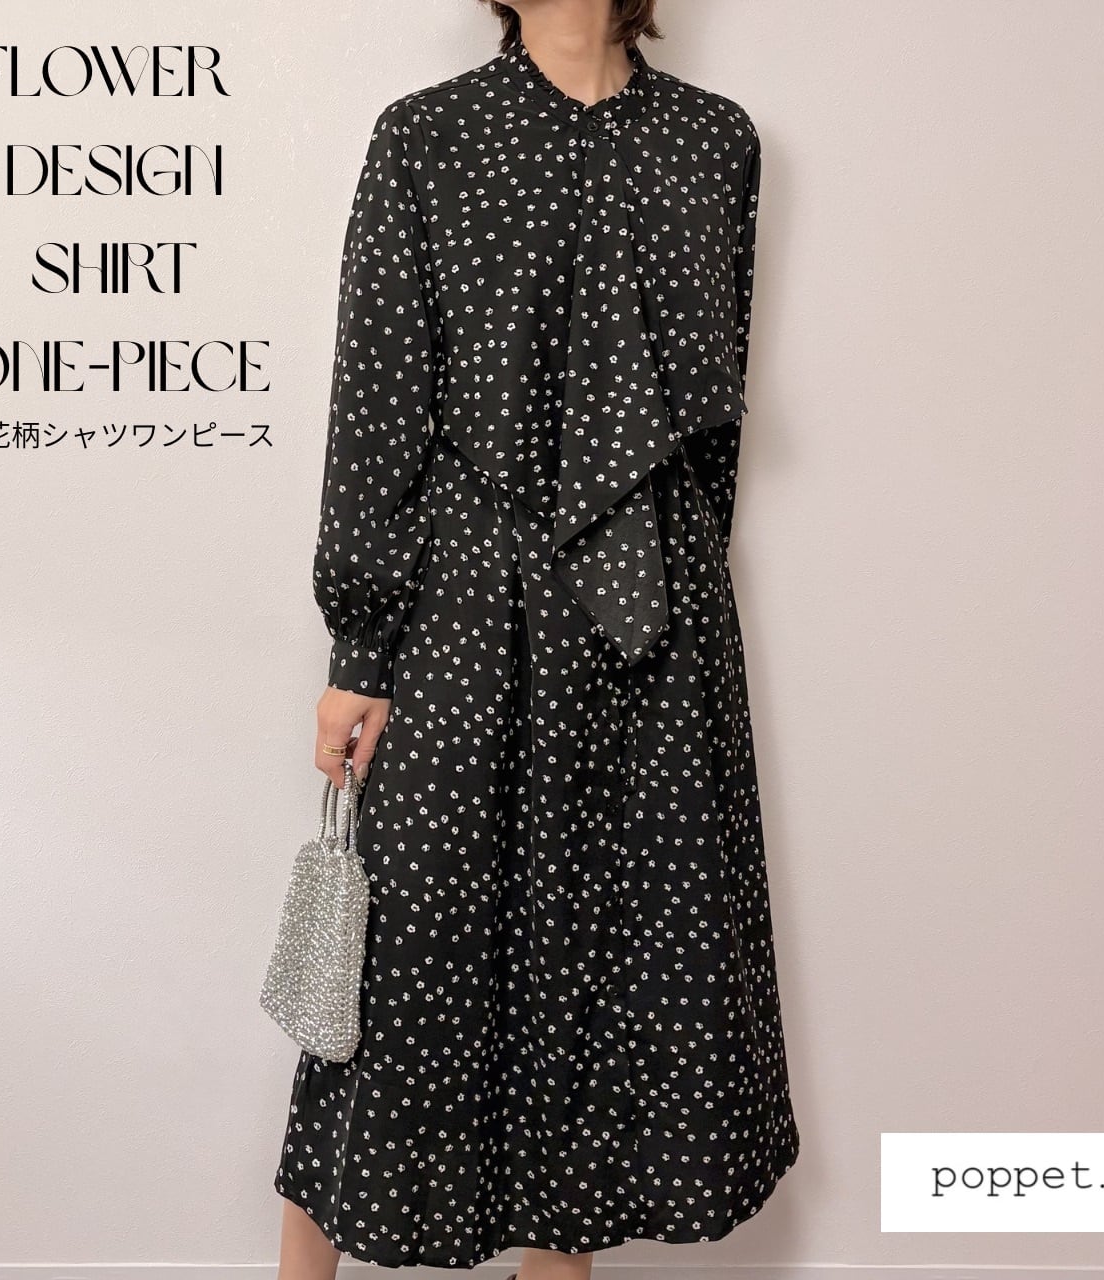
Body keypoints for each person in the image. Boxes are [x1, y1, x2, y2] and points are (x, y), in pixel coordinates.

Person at [274, 1, 800, 1276]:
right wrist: (359, 645)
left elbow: (711, 426)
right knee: (403, 964)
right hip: (465, 605)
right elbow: (379, 396)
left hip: (653, 623)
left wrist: (683, 604)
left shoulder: (714, 142)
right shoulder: (428, 136)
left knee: (608, 969)